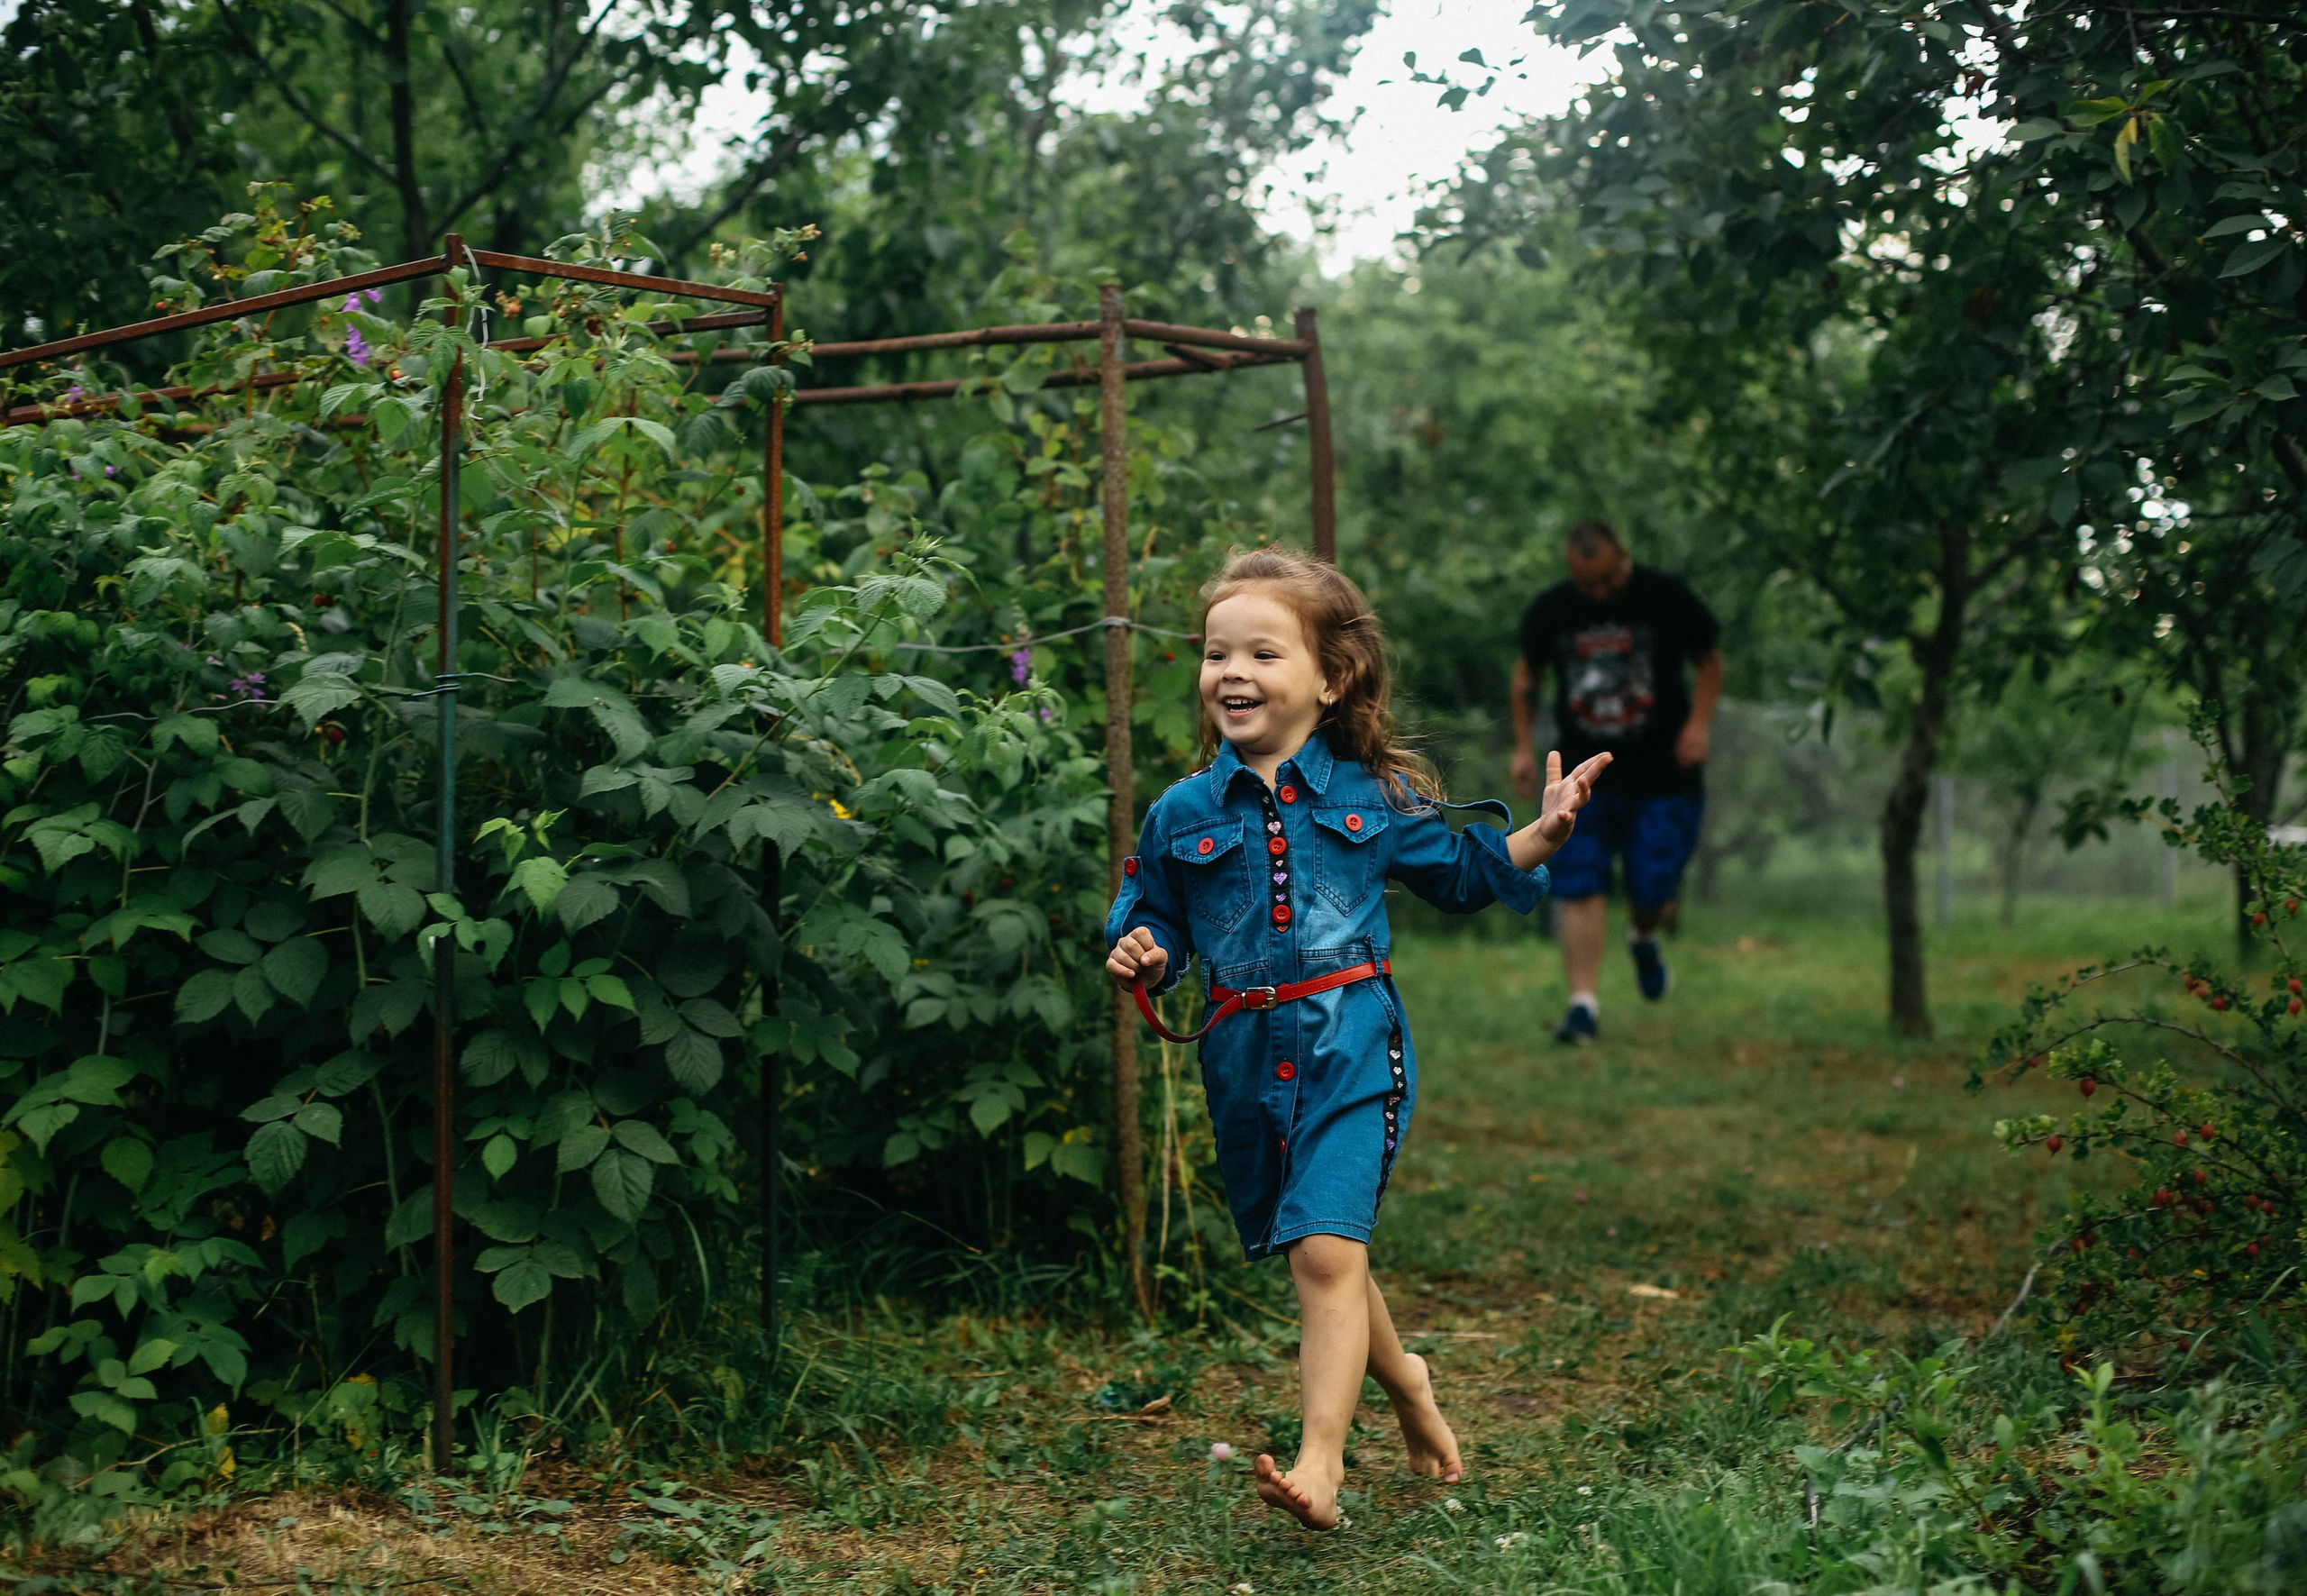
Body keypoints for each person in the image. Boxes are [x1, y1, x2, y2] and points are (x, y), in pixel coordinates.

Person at [1104, 546, 1607, 1531]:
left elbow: (1462, 873)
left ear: (1330, 680)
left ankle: (1321, 1461)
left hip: (1350, 1050)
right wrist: (1145, 951)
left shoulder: (1369, 798)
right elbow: (1151, 908)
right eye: (1216, 654)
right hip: (1245, 1062)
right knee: (1324, 1250)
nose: (1232, 672)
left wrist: (1541, 837)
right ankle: (1410, 1384)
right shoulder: (1181, 812)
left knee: (1325, 1256)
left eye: (1262, 652)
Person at [1509, 520, 1722, 1044]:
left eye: (1607, 581)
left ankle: (1643, 936)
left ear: (1623, 557)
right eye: (1588, 585)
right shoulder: (1552, 609)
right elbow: (1525, 679)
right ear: (1571, 571)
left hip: (1664, 775)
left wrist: (1698, 726)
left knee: (1653, 885)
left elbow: (1710, 661)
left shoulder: (1664, 595)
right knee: (1579, 884)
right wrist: (1521, 747)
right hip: (1585, 779)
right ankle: (1583, 1006)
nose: (1599, 595)